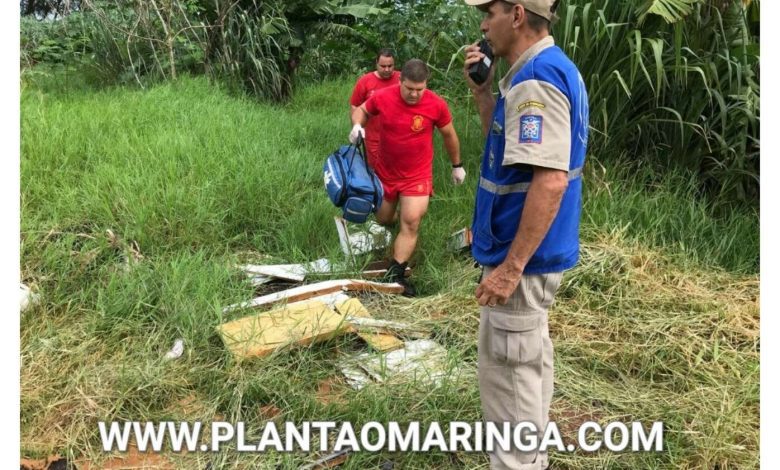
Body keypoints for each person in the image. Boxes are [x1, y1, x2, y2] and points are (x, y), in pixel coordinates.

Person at [463, 0, 589, 468]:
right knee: (525, 375)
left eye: (489, 12)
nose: (482, 23)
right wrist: (483, 93)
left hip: (523, 264)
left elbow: (550, 180)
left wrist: (510, 268)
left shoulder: (536, 80)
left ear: (517, 15)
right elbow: (509, 152)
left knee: (511, 389)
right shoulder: (540, 72)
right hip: (525, 259)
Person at [349, 59, 465, 297]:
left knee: (411, 220)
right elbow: (362, 110)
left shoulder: (436, 104)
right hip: (386, 172)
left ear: (426, 84)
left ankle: (396, 273)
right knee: (383, 218)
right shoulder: (383, 97)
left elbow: (449, 135)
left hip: (417, 175)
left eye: (419, 89)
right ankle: (397, 233)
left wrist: (457, 165)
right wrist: (357, 126)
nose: (414, 94)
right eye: (409, 88)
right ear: (400, 81)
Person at [349, 49, 402, 168]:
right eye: (383, 66)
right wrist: (356, 128)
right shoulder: (365, 81)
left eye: (390, 66)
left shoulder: (401, 79)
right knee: (376, 169)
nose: (387, 69)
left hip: (398, 136)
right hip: (373, 137)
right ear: (376, 63)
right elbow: (355, 106)